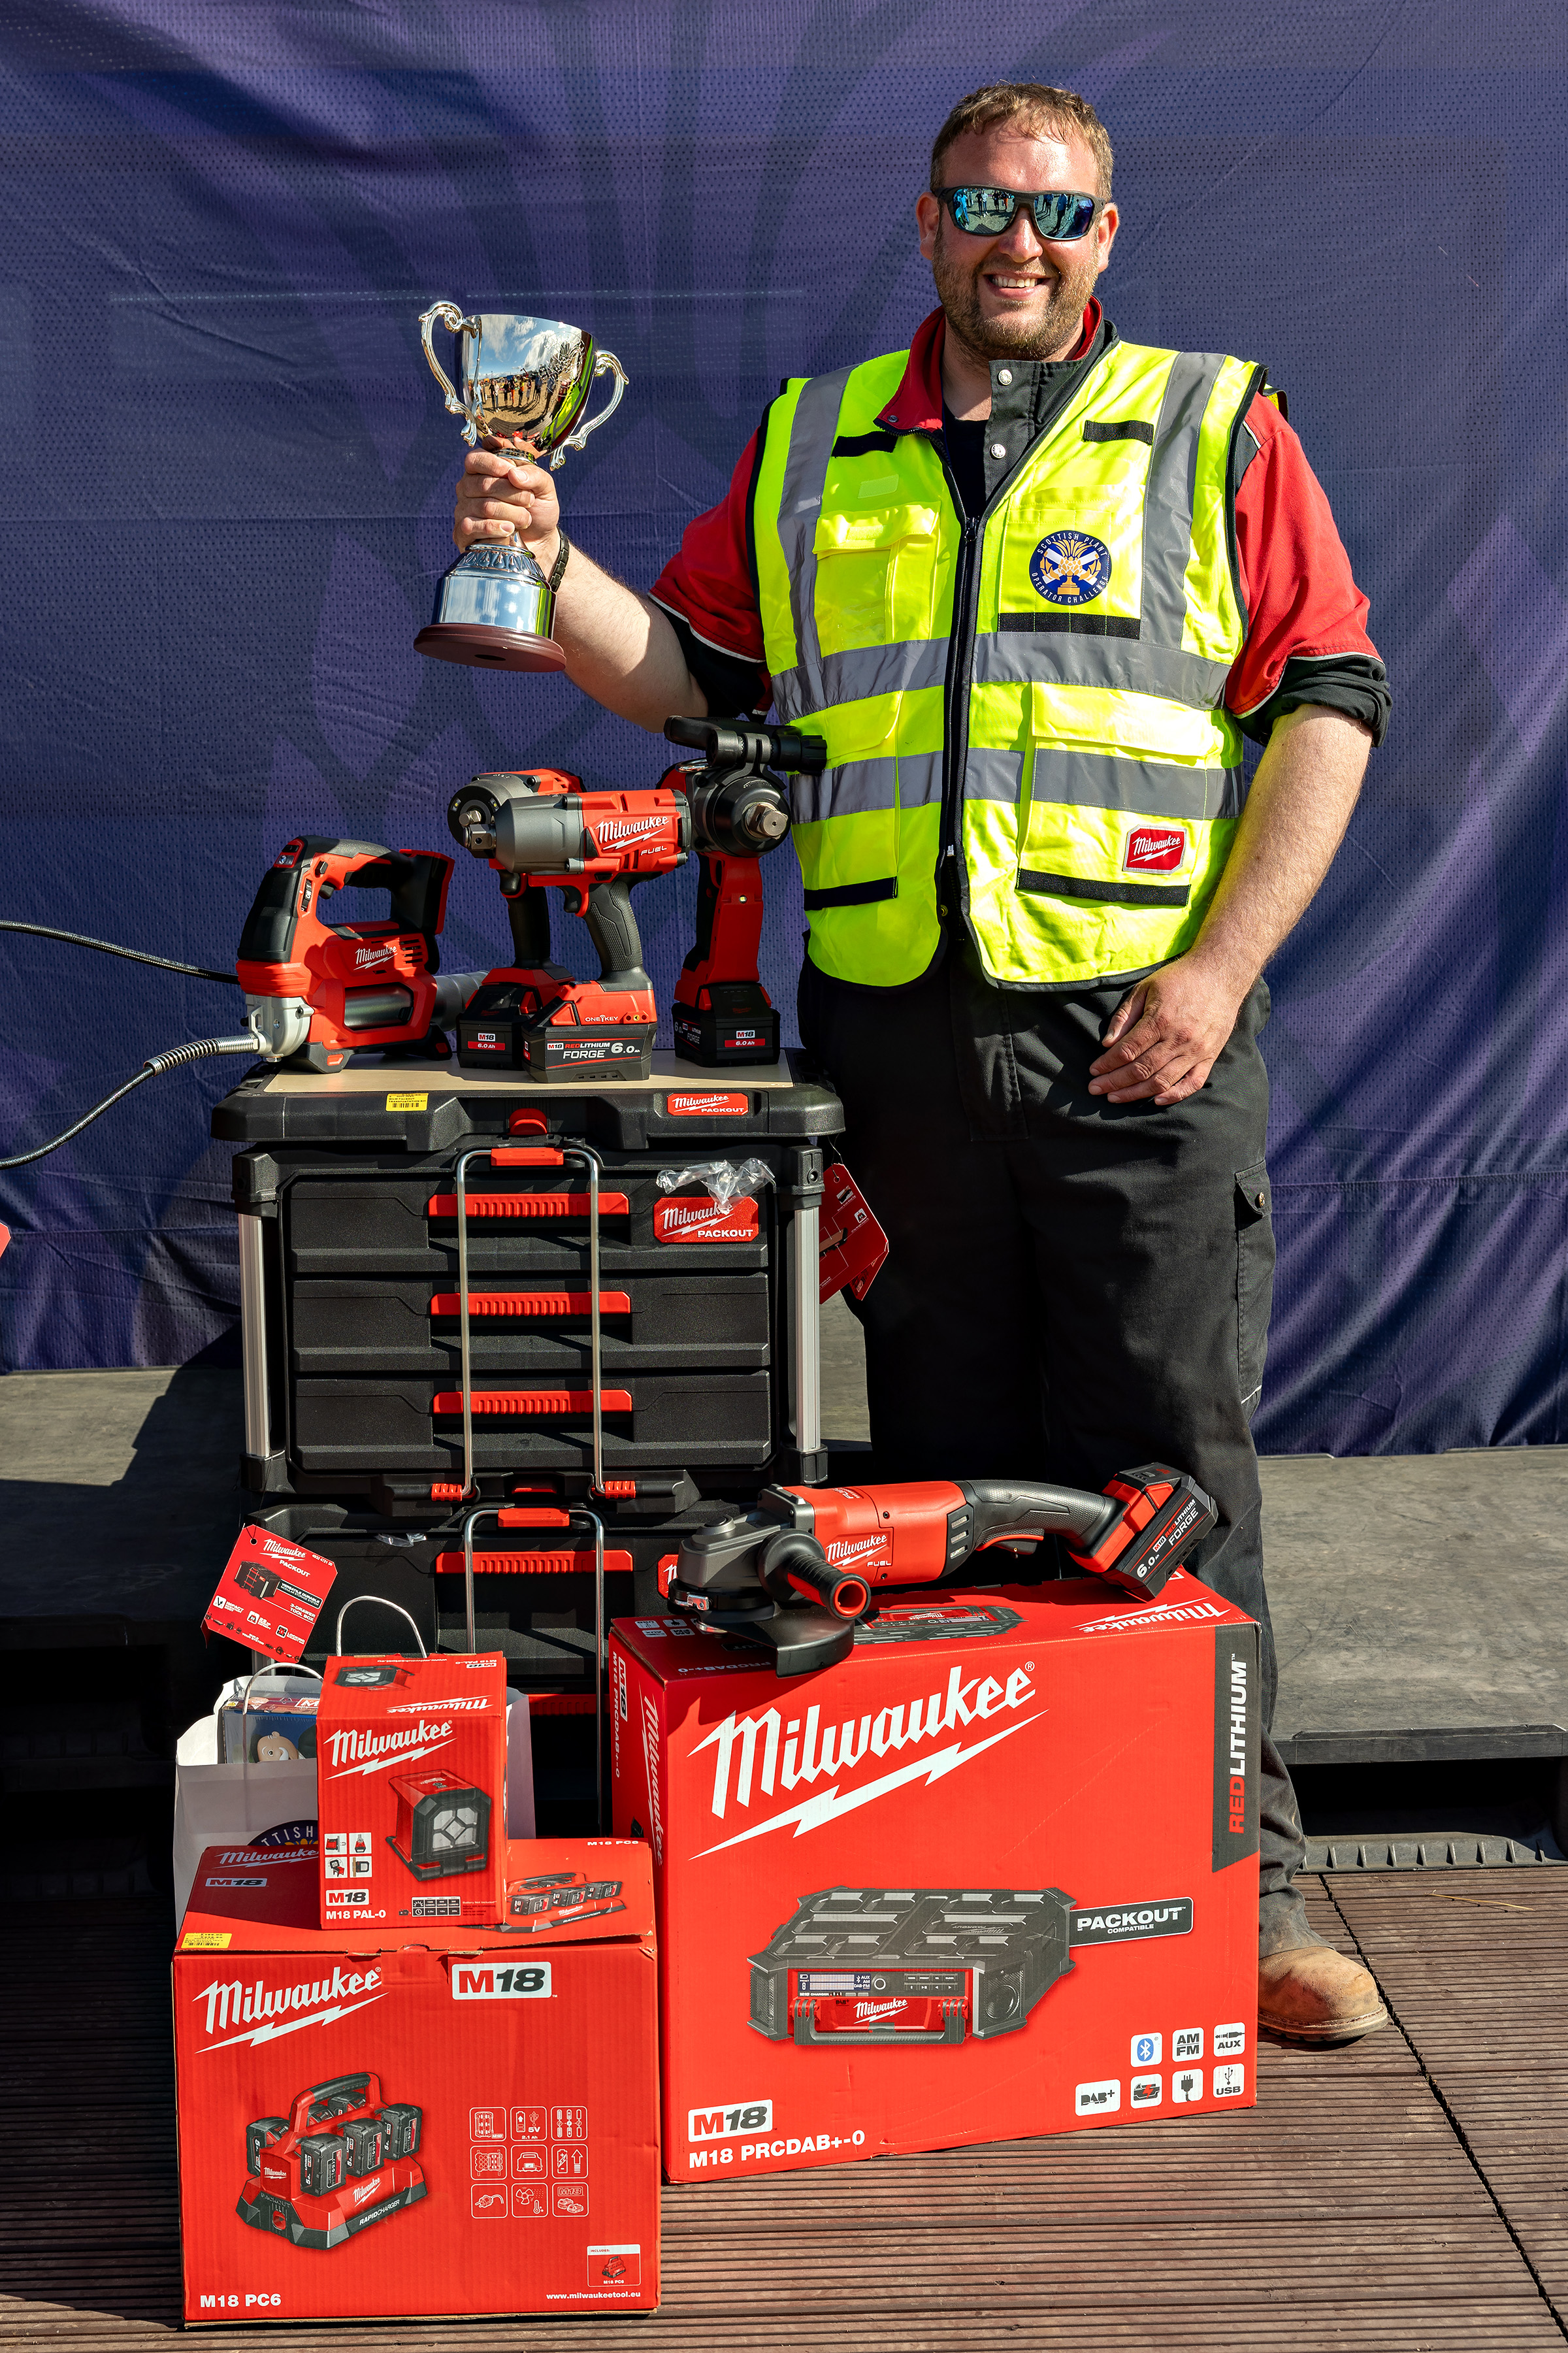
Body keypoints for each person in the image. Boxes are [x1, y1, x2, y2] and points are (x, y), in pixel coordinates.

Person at [451, 82, 1392, 2045]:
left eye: (1056, 211)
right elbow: (692, 678)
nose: (1018, 242)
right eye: (983, 205)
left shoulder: (1216, 424)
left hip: (1144, 1043)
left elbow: (1329, 702)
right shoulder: (816, 445)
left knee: (1171, 1478)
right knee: (937, 1487)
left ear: (1108, 235)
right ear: (928, 224)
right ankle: (995, 1879)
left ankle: (1251, 1892)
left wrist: (1219, 972)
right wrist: (544, 566)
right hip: (891, 1044)